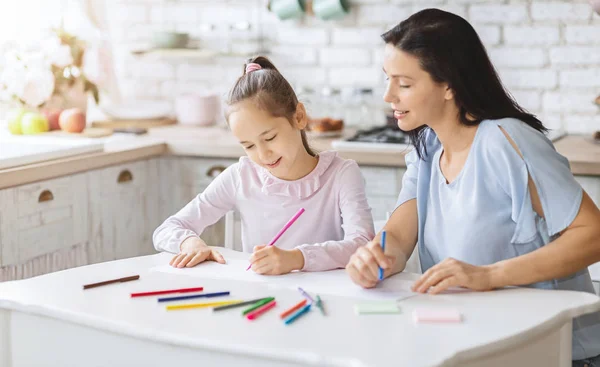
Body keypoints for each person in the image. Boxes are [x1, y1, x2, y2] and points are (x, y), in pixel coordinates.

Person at [345, 9, 600, 365]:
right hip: (474, 342)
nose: (388, 95)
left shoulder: (507, 142)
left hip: (555, 350)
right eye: (387, 79)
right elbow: (399, 238)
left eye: (404, 84)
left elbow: (593, 235)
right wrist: (376, 260)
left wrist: (488, 275)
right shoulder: (428, 147)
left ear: (448, 85)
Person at [153, 56, 374, 275]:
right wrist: (191, 243)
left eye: (269, 138)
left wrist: (297, 259)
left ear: (299, 117)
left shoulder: (341, 174)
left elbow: (362, 244)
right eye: (248, 146)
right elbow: (168, 229)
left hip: (325, 298)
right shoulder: (241, 176)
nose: (262, 154)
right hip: (262, 297)